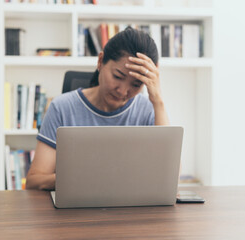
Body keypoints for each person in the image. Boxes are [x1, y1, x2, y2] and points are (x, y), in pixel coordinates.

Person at [26, 27, 169, 190]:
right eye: (117, 77)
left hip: (131, 209)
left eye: (136, 85)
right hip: (75, 210)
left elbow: (169, 180)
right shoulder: (62, 108)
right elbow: (34, 182)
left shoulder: (150, 110)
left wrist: (158, 101)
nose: (122, 91)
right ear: (100, 61)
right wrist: (86, 178)